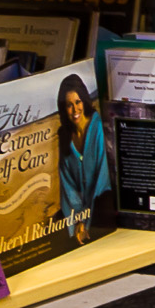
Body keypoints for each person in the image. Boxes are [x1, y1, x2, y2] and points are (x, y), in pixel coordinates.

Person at [54, 74, 109, 226]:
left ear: (84, 100)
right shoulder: (65, 137)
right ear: (64, 108)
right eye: (69, 105)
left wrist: (87, 221)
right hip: (79, 211)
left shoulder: (98, 127)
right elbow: (68, 185)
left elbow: (103, 179)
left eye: (77, 102)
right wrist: (78, 219)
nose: (74, 109)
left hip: (102, 203)